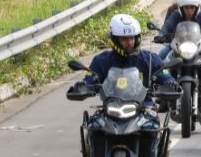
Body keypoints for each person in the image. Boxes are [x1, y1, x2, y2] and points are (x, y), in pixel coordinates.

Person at [73, 14, 175, 155]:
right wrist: (82, 86)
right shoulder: (101, 61)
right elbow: (90, 78)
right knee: (94, 128)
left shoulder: (149, 59)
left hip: (143, 108)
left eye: (132, 38)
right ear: (115, 39)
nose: (129, 42)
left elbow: (164, 76)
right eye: (124, 39)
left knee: (152, 128)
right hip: (110, 109)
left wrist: (171, 84)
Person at [157, 0, 201, 114]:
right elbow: (166, 27)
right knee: (161, 58)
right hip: (178, 46)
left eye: (192, 7)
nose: (189, 10)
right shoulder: (175, 15)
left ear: (197, 7)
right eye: (186, 7)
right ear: (181, 7)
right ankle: (163, 94)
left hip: (199, 46)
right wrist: (160, 35)